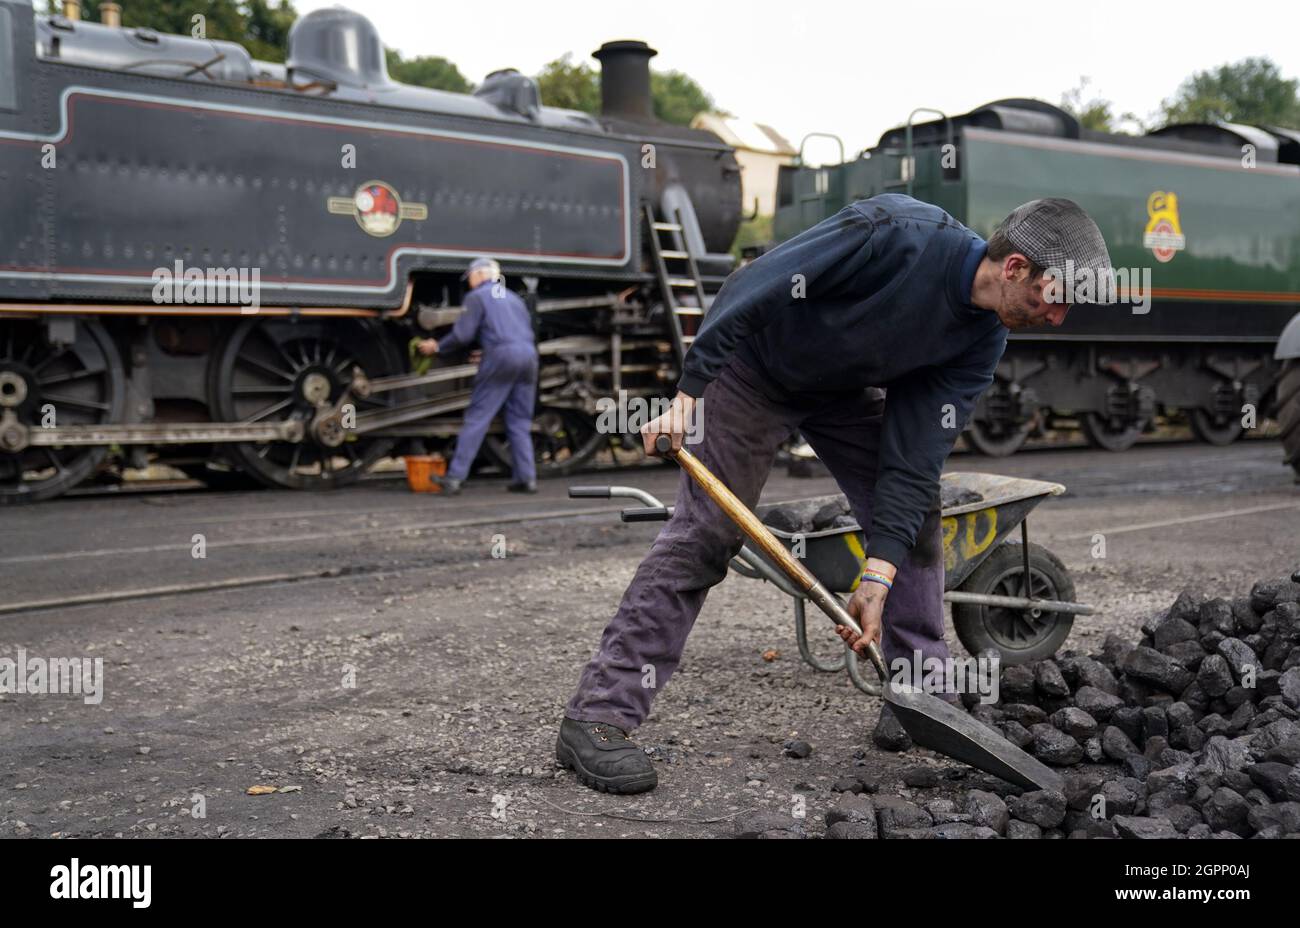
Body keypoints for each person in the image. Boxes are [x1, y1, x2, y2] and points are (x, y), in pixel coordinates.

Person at [556, 194, 1113, 794]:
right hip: (753, 371)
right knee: (708, 534)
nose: (1057, 319)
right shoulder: (897, 234)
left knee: (919, 519)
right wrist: (691, 389)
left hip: (841, 390)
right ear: (1015, 268)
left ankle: (923, 695)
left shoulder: (981, 339)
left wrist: (877, 579)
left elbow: (915, 456)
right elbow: (757, 283)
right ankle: (599, 718)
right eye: (1054, 300)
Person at [417, 258, 539, 494]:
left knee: (477, 418)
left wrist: (438, 347)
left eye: (470, 278)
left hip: (501, 356)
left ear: (479, 275)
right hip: (529, 356)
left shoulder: (477, 297)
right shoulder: (514, 298)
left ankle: (454, 478)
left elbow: (462, 336)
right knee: (520, 421)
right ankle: (527, 478)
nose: (469, 283)